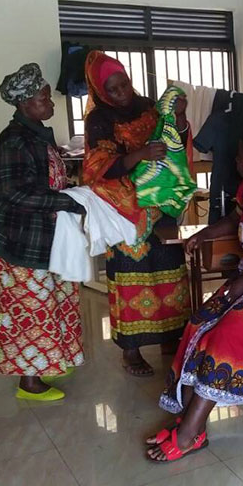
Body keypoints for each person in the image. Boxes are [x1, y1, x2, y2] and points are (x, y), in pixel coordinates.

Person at [145, 129, 243, 462]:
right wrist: (204, 233)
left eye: (240, 156)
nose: (235, 161)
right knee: (199, 324)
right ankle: (191, 421)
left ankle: (189, 431)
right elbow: (234, 220)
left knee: (225, 338)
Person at [0, 63, 85, 401]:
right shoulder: (14, 140)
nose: (50, 102)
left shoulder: (35, 134)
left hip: (42, 238)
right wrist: (65, 201)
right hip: (17, 243)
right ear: (25, 104)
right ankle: (30, 384)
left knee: (50, 302)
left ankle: (49, 361)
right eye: (43, 98)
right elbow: (12, 193)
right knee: (28, 312)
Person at [82, 51, 191, 377]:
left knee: (169, 270)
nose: (121, 93)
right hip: (125, 213)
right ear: (101, 92)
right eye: (112, 89)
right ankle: (131, 351)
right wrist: (141, 154)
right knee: (131, 276)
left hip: (159, 206)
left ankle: (171, 339)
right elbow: (99, 167)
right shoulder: (99, 120)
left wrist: (180, 118)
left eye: (124, 84)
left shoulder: (148, 107)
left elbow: (176, 139)